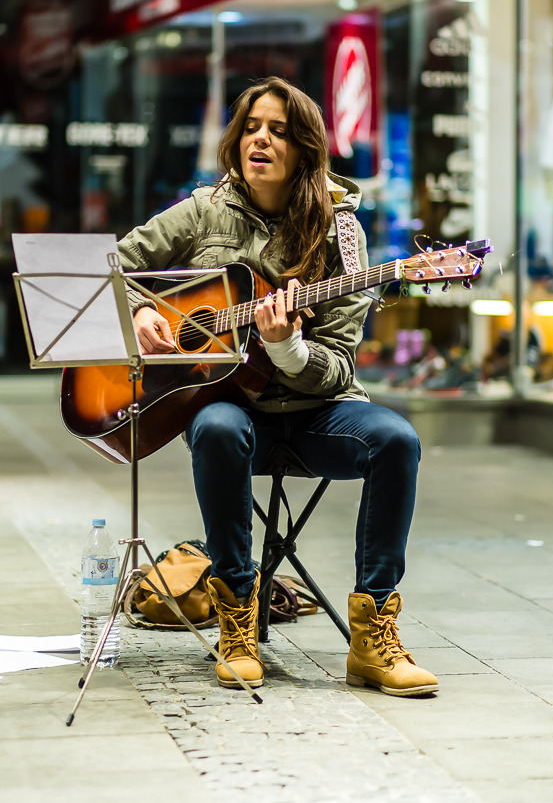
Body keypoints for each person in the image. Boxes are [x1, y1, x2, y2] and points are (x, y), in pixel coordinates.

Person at [118, 76, 439, 697]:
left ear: (306, 152)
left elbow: (341, 364)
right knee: (213, 425)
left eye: (280, 132)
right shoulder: (204, 210)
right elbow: (118, 267)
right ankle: (238, 615)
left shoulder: (341, 233)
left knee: (396, 440)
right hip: (237, 411)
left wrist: (288, 349)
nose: (260, 140)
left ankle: (373, 634)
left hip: (321, 413)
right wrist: (139, 310)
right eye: (252, 128)